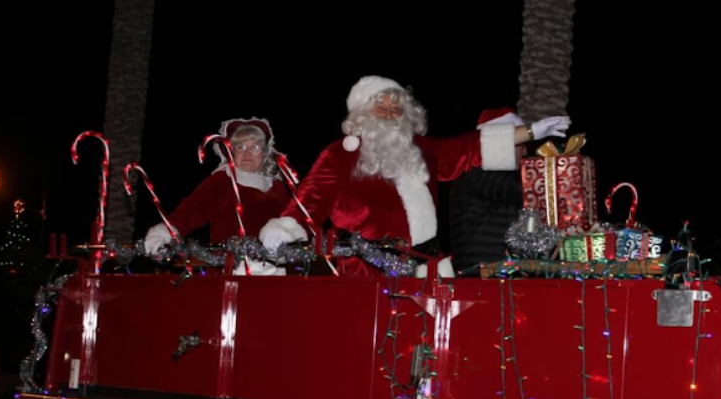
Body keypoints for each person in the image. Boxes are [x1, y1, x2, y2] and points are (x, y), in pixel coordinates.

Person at [260, 76, 569, 276]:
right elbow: (310, 198)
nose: (389, 112)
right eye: (380, 106)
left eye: (396, 107)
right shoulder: (340, 154)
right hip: (366, 271)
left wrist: (531, 131)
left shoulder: (422, 149)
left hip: (426, 268)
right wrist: (285, 227)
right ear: (362, 112)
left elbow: (470, 146)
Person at [144, 117, 292, 274]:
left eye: (254, 147)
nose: (247, 153)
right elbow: (191, 210)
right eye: (240, 147)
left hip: (274, 271)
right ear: (231, 152)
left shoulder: (275, 186)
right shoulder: (223, 179)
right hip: (229, 270)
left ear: (265, 153)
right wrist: (162, 235)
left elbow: (293, 220)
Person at [449, 108, 528, 272]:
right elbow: (525, 189)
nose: (525, 152)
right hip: (480, 276)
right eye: (520, 145)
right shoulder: (477, 171)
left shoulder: (497, 175)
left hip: (499, 273)